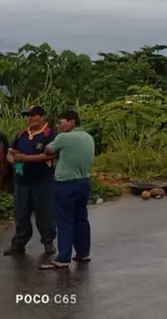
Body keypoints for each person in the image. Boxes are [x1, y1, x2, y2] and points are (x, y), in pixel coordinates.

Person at [38, 110, 95, 270]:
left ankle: (63, 258)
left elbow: (49, 150)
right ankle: (83, 253)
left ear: (72, 122)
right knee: (81, 218)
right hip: (84, 182)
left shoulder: (64, 138)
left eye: (61, 122)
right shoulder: (88, 137)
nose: (59, 126)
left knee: (65, 221)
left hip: (66, 184)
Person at [3, 105, 57, 257]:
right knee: (21, 214)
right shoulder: (21, 134)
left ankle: (48, 242)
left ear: (42, 117)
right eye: (29, 116)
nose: (30, 119)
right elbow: (10, 153)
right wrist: (13, 161)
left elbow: (50, 156)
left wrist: (25, 158)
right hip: (22, 180)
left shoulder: (49, 134)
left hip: (42, 181)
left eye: (34, 115)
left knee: (44, 213)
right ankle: (19, 243)